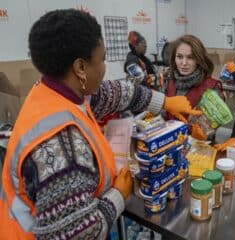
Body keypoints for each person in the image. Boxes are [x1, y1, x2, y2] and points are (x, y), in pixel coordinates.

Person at [0, 9, 200, 239]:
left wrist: (165, 102)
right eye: (102, 59)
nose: (105, 68)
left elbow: (118, 93)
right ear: (80, 68)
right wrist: (118, 195)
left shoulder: (54, 91)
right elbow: (78, 234)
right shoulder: (62, 147)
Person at [165, 35, 224, 140]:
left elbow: (210, 130)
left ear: (199, 59)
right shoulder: (170, 82)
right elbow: (164, 114)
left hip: (197, 149)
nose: (184, 63)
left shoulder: (211, 87)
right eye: (179, 56)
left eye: (190, 57)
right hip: (168, 144)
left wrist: (201, 131)